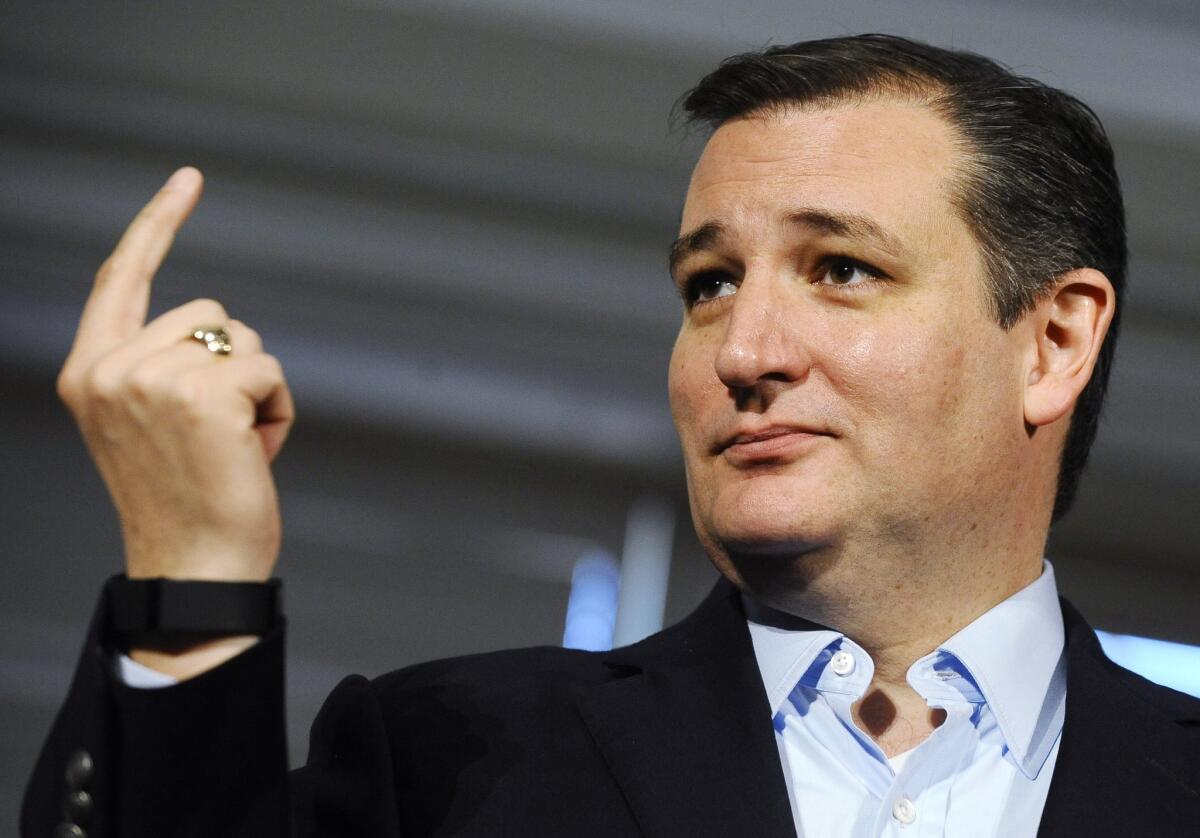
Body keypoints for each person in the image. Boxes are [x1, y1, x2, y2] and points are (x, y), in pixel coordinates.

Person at [21, 34, 1200, 838]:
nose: (743, 351)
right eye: (708, 284)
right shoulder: (444, 763)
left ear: (1052, 341)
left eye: (842, 269)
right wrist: (194, 573)